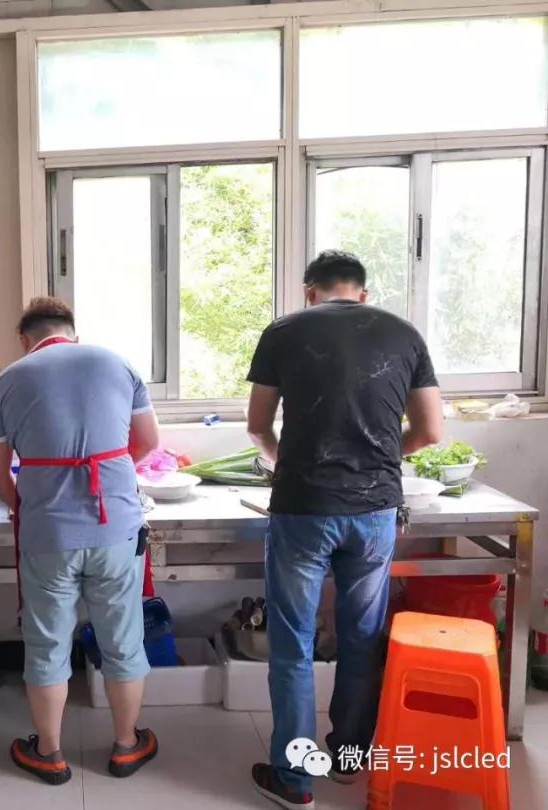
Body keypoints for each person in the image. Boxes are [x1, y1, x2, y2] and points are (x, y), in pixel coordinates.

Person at [245, 251, 444, 809]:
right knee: (361, 639)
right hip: (374, 511)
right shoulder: (404, 334)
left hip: (302, 507)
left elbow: (258, 425)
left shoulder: (283, 331)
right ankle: (350, 759)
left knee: (293, 644)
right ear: (363, 292)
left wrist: (284, 461)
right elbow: (430, 431)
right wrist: (381, 458)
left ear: (310, 291)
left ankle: (294, 780)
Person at [0, 297, 162, 787]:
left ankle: (49, 753)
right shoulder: (118, 364)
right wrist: (108, 469)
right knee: (122, 642)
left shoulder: (7, 380)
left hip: (48, 534)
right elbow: (149, 442)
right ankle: (125, 746)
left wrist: (26, 504)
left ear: (26, 340)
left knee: (47, 646)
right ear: (72, 332)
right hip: (115, 530)